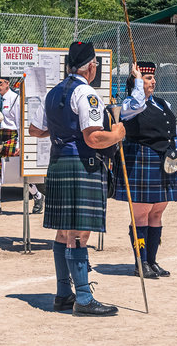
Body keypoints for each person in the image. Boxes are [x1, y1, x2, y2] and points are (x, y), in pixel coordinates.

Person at [29, 42, 125, 317]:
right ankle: (83, 298)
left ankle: (63, 295)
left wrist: (64, 133)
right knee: (80, 232)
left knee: (63, 231)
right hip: (82, 164)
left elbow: (36, 130)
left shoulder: (54, 92)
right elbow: (93, 137)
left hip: (58, 162)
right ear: (91, 66)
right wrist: (117, 134)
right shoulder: (86, 92)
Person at [114, 62, 177, 279]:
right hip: (141, 159)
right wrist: (136, 80)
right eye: (146, 78)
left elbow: (174, 134)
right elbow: (136, 104)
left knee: (157, 212)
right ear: (135, 81)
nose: (152, 81)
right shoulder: (128, 104)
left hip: (165, 161)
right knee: (141, 213)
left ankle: (152, 261)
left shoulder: (164, 104)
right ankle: (140, 262)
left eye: (152, 78)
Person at [0, 76, 44, 216]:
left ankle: (38, 196)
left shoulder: (16, 99)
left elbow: (21, 123)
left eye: (0, 83)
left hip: (12, 137)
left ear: (7, 84)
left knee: (17, 172)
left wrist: (20, 144)